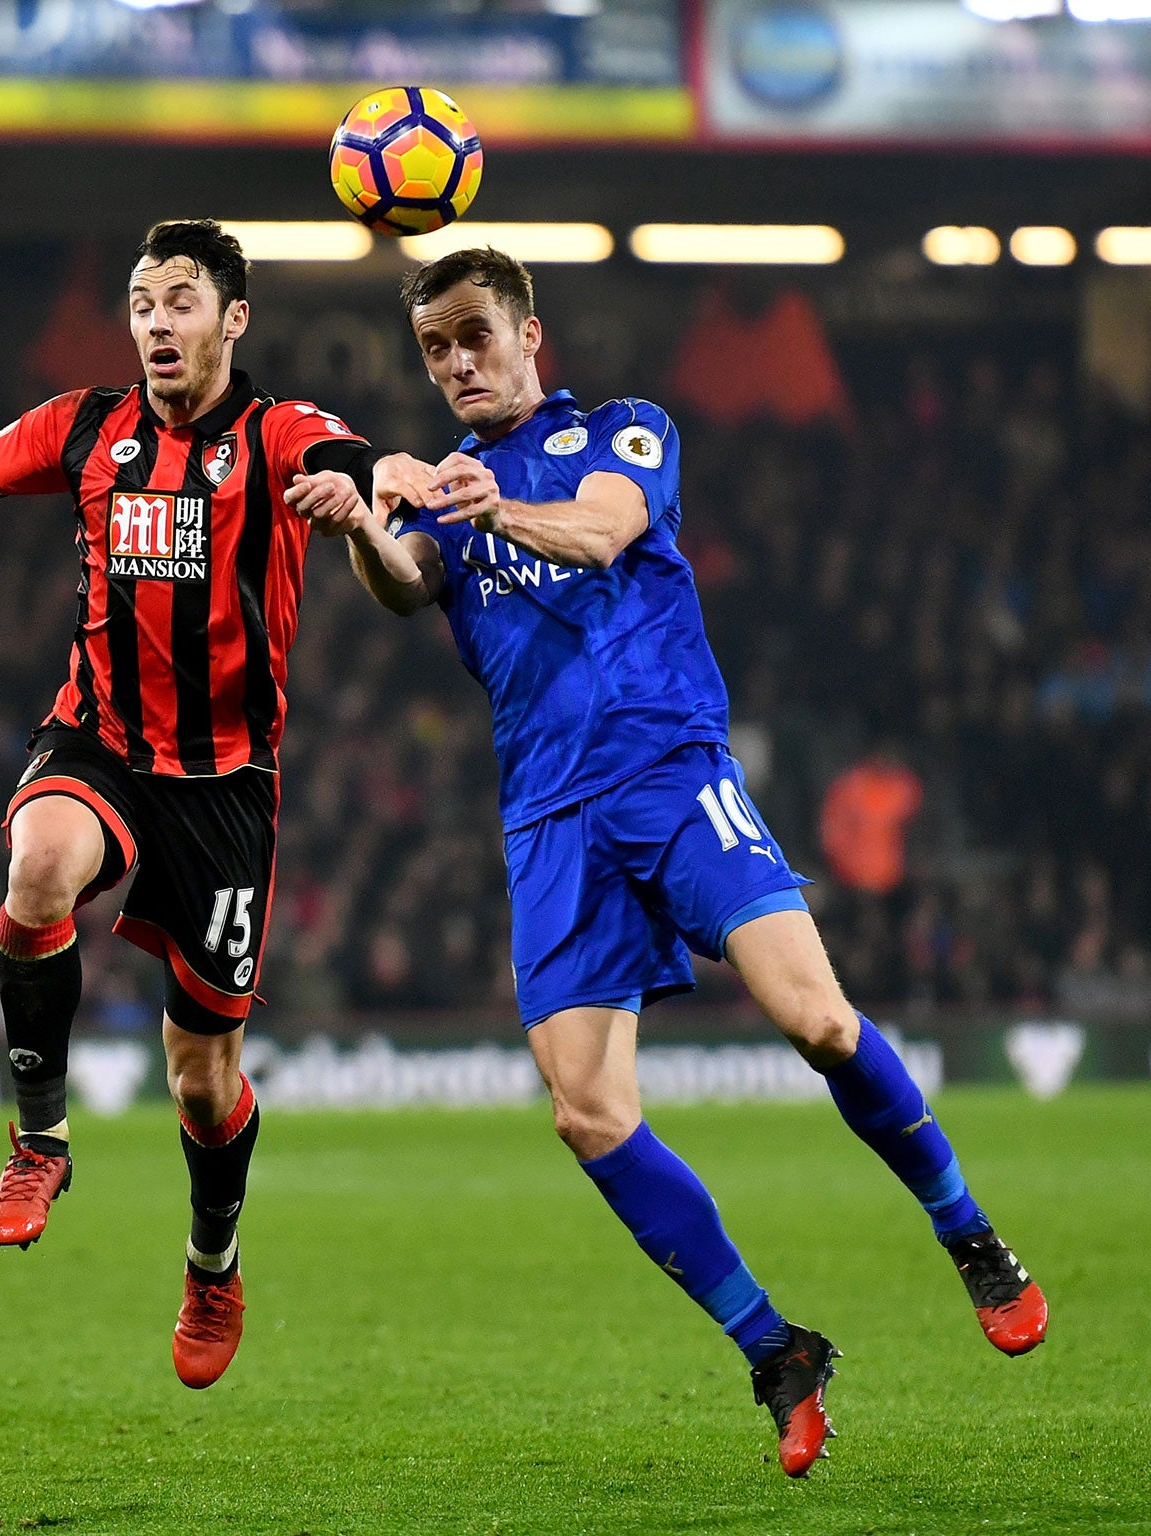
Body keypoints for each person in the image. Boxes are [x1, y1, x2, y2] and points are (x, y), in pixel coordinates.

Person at [302, 246, 1047, 1477]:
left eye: (475, 335)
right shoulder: (446, 484)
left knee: (814, 1021)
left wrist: (479, 503)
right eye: (435, 349)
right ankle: (774, 1349)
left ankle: (964, 1229)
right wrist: (357, 522)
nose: (456, 365)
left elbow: (600, 535)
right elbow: (405, 585)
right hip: (546, 817)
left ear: (529, 334)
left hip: (665, 770)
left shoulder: (624, 431)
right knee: (585, 1113)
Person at [0, 219, 411, 1389]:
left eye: (178, 301)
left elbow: (358, 456)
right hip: (98, 741)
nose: (156, 323)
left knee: (201, 1079)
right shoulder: (86, 427)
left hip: (222, 789)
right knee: (35, 868)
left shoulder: (277, 435)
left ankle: (212, 1265)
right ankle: (38, 1138)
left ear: (231, 320)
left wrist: (365, 489)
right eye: (141, 302)